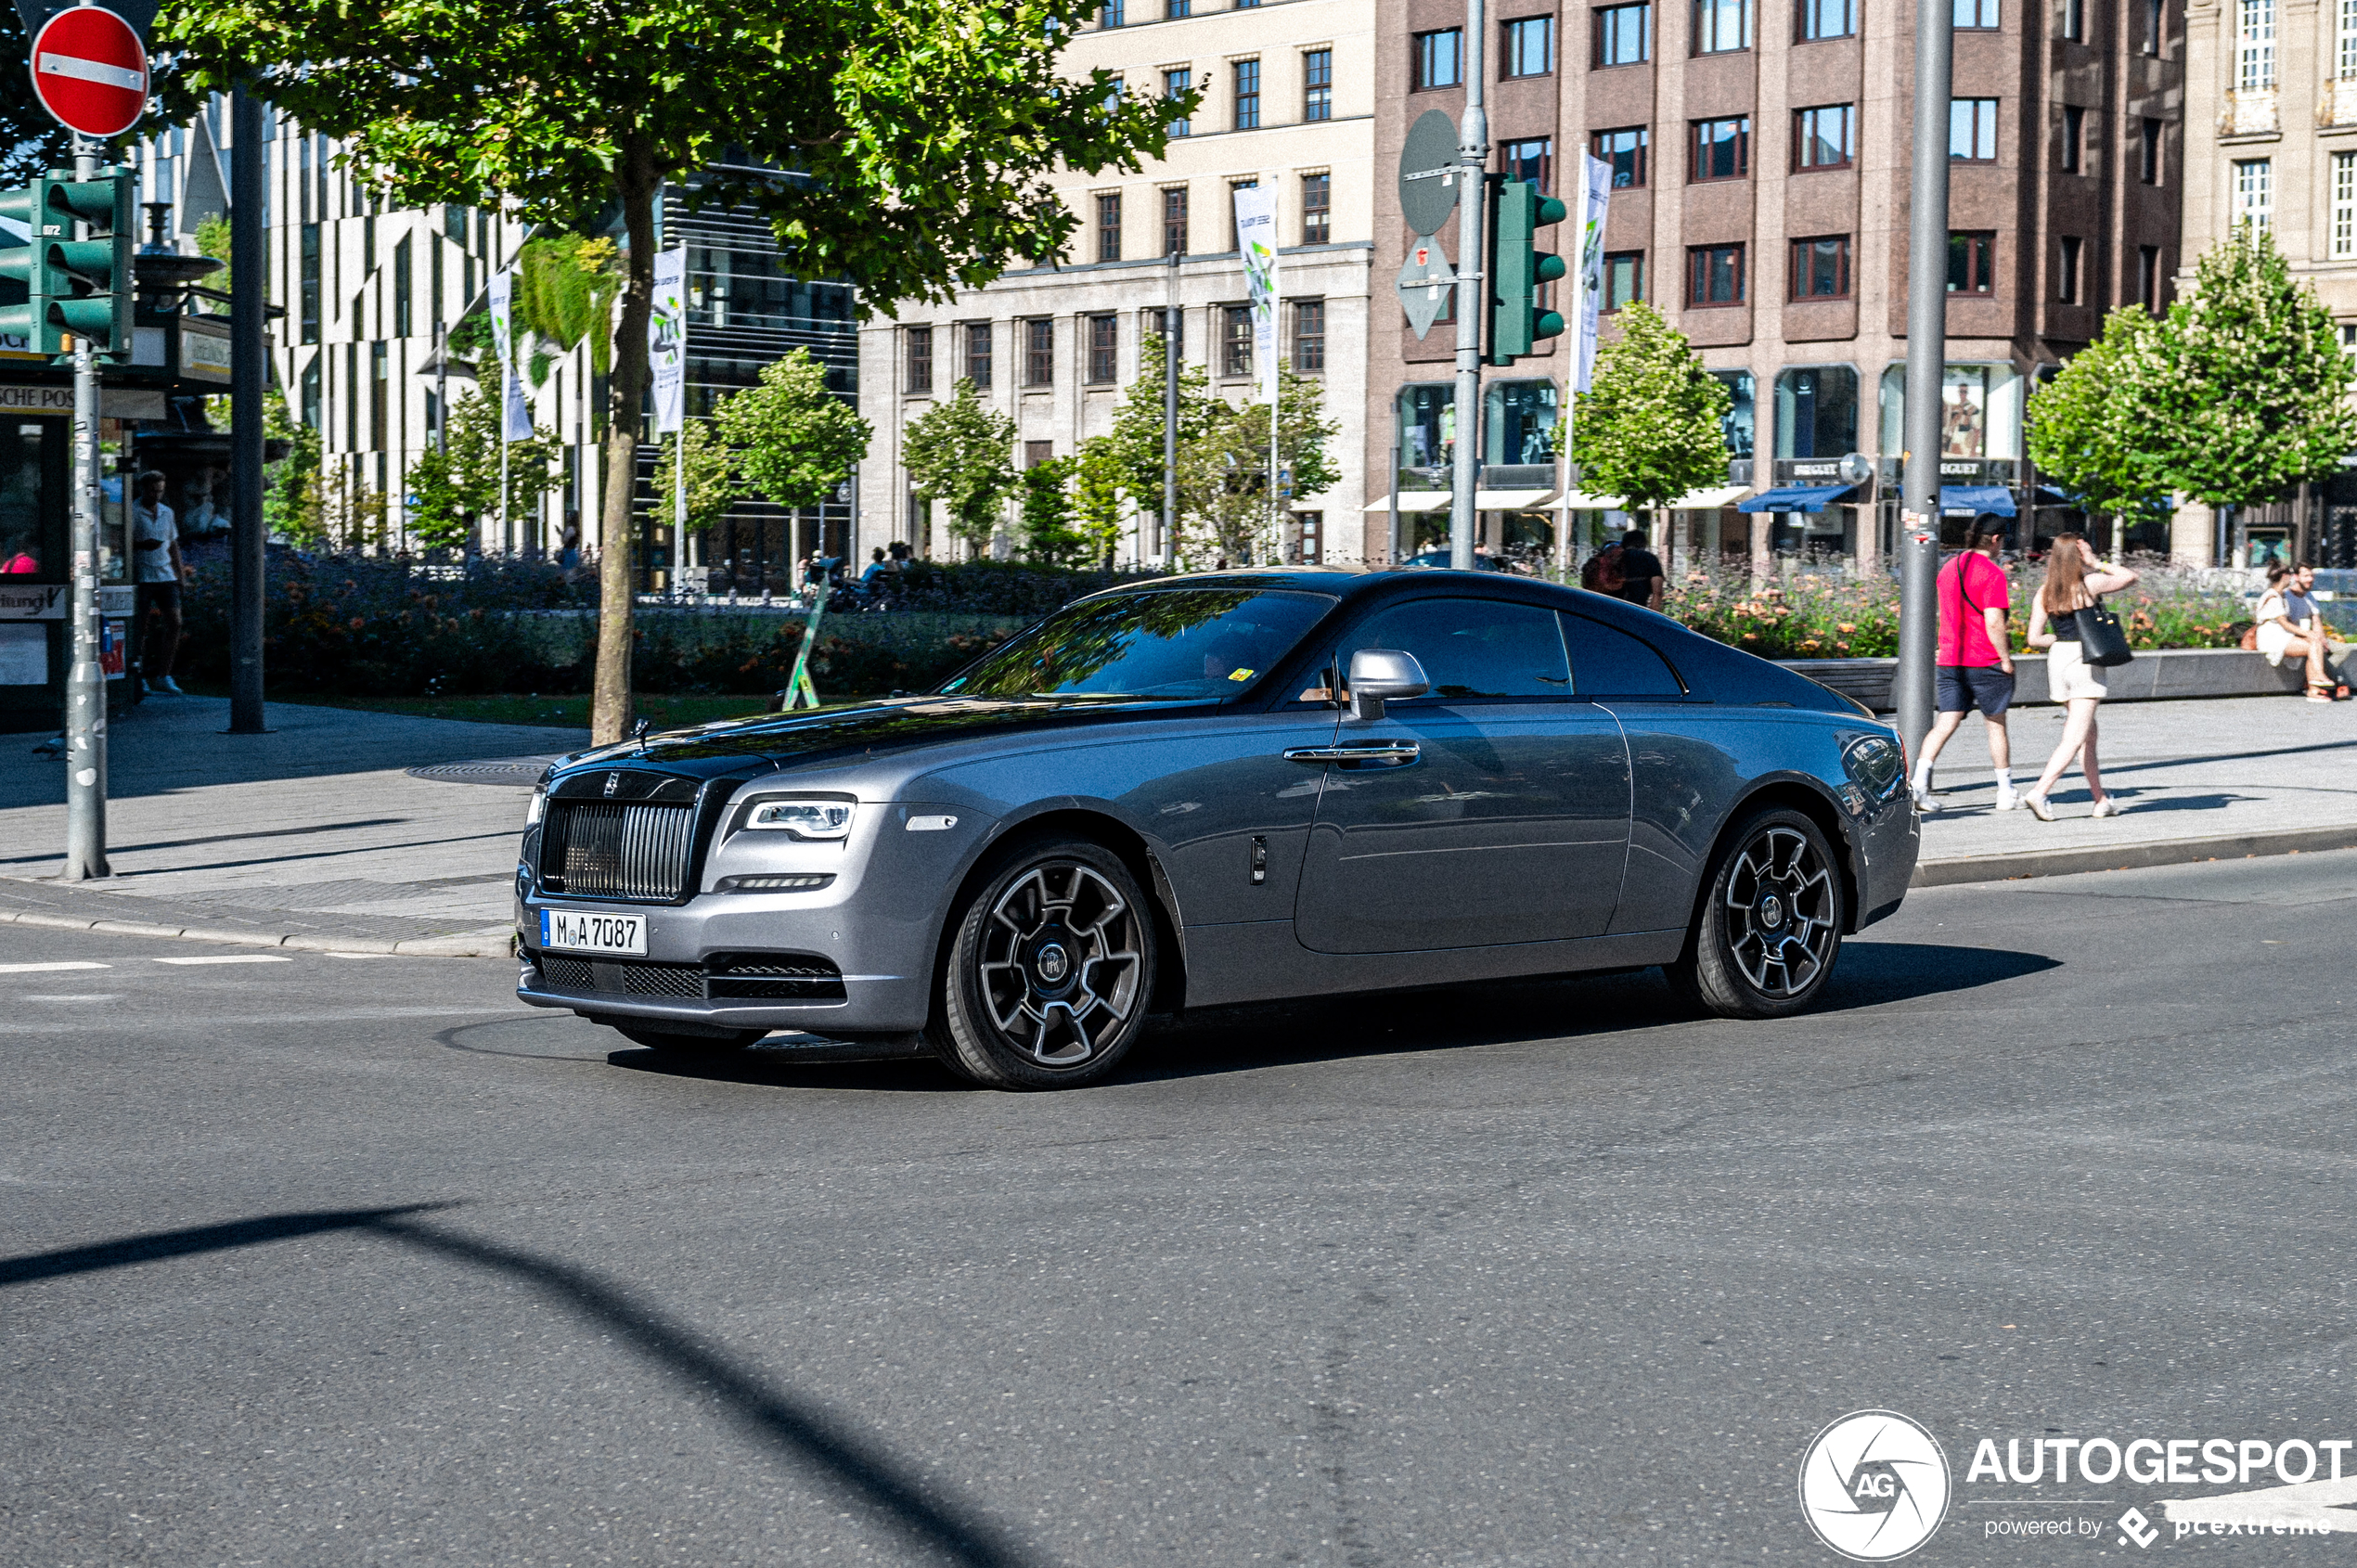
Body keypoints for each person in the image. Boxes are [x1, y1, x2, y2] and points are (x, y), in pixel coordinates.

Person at [2020, 532, 2140, 821]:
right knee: (2074, 736)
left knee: (2089, 734)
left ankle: (2100, 799)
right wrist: (2095, 561)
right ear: (2077, 557)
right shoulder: (2089, 584)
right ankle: (2040, 791)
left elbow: (2034, 638)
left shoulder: (2044, 593)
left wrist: (2061, 640)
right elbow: (2130, 576)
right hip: (2084, 662)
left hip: (2059, 660)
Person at [1911, 517, 2017, 812]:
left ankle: (1918, 786)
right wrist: (2006, 659)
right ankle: (2006, 792)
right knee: (1995, 725)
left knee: (1945, 722)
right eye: (2003, 541)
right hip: (1984, 660)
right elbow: (1994, 622)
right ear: (1995, 539)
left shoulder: (1948, 568)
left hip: (1950, 659)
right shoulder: (1992, 574)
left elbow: (1945, 612)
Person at [2255, 561, 2347, 703]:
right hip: (2273, 639)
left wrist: (2312, 635)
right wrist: (2307, 633)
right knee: (2312, 644)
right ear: (2285, 576)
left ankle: (2314, 689)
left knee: (2314, 643)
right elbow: (2284, 623)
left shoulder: (2280, 596)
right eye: (2290, 575)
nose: (2291, 578)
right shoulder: (2273, 597)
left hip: (2283, 636)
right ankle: (2319, 678)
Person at [130, 469, 187, 696]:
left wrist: (180, 574)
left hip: (165, 575)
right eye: (152, 490)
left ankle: (164, 675)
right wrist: (142, 546)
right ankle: (139, 675)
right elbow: (122, 544)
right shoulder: (133, 511)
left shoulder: (166, 513)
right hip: (143, 574)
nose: (156, 495)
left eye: (160, 491)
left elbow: (173, 545)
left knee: (175, 622)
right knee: (141, 627)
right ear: (143, 489)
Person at [1616, 527, 1665, 610]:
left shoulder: (1615, 557)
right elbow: (1658, 592)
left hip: (1610, 607)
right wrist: (1653, 613)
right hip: (1638, 609)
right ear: (1643, 543)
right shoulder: (1649, 558)